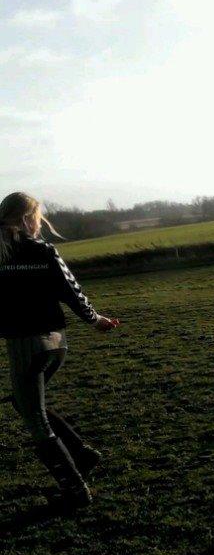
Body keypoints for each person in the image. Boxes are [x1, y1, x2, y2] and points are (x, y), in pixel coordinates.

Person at [0, 192, 119, 509]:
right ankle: (82, 454)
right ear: (30, 218)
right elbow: (72, 291)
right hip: (56, 344)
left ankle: (75, 489)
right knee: (25, 403)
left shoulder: (2, 253)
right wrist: (96, 320)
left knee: (34, 417)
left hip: (25, 346)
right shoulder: (43, 250)